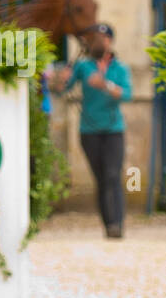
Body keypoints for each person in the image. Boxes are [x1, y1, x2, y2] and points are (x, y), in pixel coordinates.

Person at [52, 22, 133, 238]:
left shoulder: (120, 68)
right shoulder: (83, 66)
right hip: (89, 130)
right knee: (100, 177)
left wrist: (104, 85)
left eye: (102, 38)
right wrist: (61, 80)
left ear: (110, 41)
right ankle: (108, 224)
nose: (98, 41)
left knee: (112, 174)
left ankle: (117, 223)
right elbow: (61, 91)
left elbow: (126, 95)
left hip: (114, 129)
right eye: (95, 37)